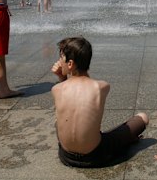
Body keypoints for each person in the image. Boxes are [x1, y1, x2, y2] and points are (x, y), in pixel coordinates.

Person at [51, 37, 149, 168]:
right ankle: (124, 141)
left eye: (61, 58)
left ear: (70, 64)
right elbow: (84, 89)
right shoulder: (101, 87)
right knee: (143, 117)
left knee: (59, 120)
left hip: (66, 156)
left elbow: (70, 95)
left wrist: (62, 77)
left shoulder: (56, 89)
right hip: (95, 156)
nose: (58, 62)